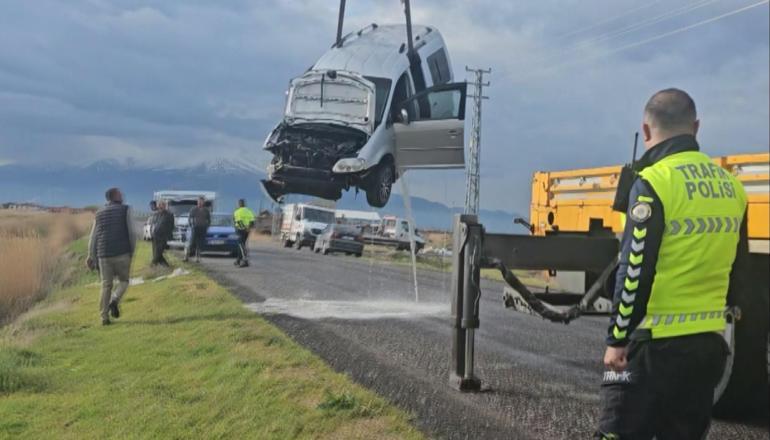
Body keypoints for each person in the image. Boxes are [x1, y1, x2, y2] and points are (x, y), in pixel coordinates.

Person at [596, 89, 749, 439]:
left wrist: (617, 337)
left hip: (651, 346)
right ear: (696, 127)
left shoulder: (653, 183)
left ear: (645, 131)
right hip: (707, 347)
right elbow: (739, 271)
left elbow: (635, 268)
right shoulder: (733, 188)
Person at [86, 188, 136, 326]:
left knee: (106, 285)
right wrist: (131, 251)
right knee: (124, 281)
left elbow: (93, 237)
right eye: (120, 194)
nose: (122, 195)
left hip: (103, 255)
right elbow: (132, 233)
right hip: (122, 253)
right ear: (116, 197)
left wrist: (91, 255)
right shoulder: (126, 209)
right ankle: (114, 300)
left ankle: (104, 317)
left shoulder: (99, 213)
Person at [184, 197, 211, 263]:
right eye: (199, 201)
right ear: (197, 202)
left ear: (203, 202)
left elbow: (209, 220)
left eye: (202, 201)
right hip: (195, 228)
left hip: (202, 229)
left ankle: (197, 258)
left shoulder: (206, 210)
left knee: (199, 244)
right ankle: (186, 256)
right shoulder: (193, 209)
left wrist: (207, 226)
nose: (200, 203)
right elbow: (190, 218)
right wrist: (191, 225)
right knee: (191, 243)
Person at [151, 200, 175, 267]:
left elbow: (171, 226)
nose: (160, 206)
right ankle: (166, 266)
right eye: (159, 205)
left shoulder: (169, 215)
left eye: (162, 205)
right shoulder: (156, 214)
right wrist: (152, 232)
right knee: (156, 252)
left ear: (165, 206)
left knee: (158, 252)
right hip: (155, 235)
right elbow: (154, 224)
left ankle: (153, 265)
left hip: (163, 237)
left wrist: (168, 236)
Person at [233, 199, 255, 267]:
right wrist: (248, 228)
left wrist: (243, 228)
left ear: (239, 204)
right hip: (247, 231)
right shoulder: (249, 211)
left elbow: (238, 221)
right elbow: (252, 221)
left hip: (240, 230)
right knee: (242, 244)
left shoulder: (237, 212)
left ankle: (245, 260)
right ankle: (238, 260)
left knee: (240, 244)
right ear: (244, 204)